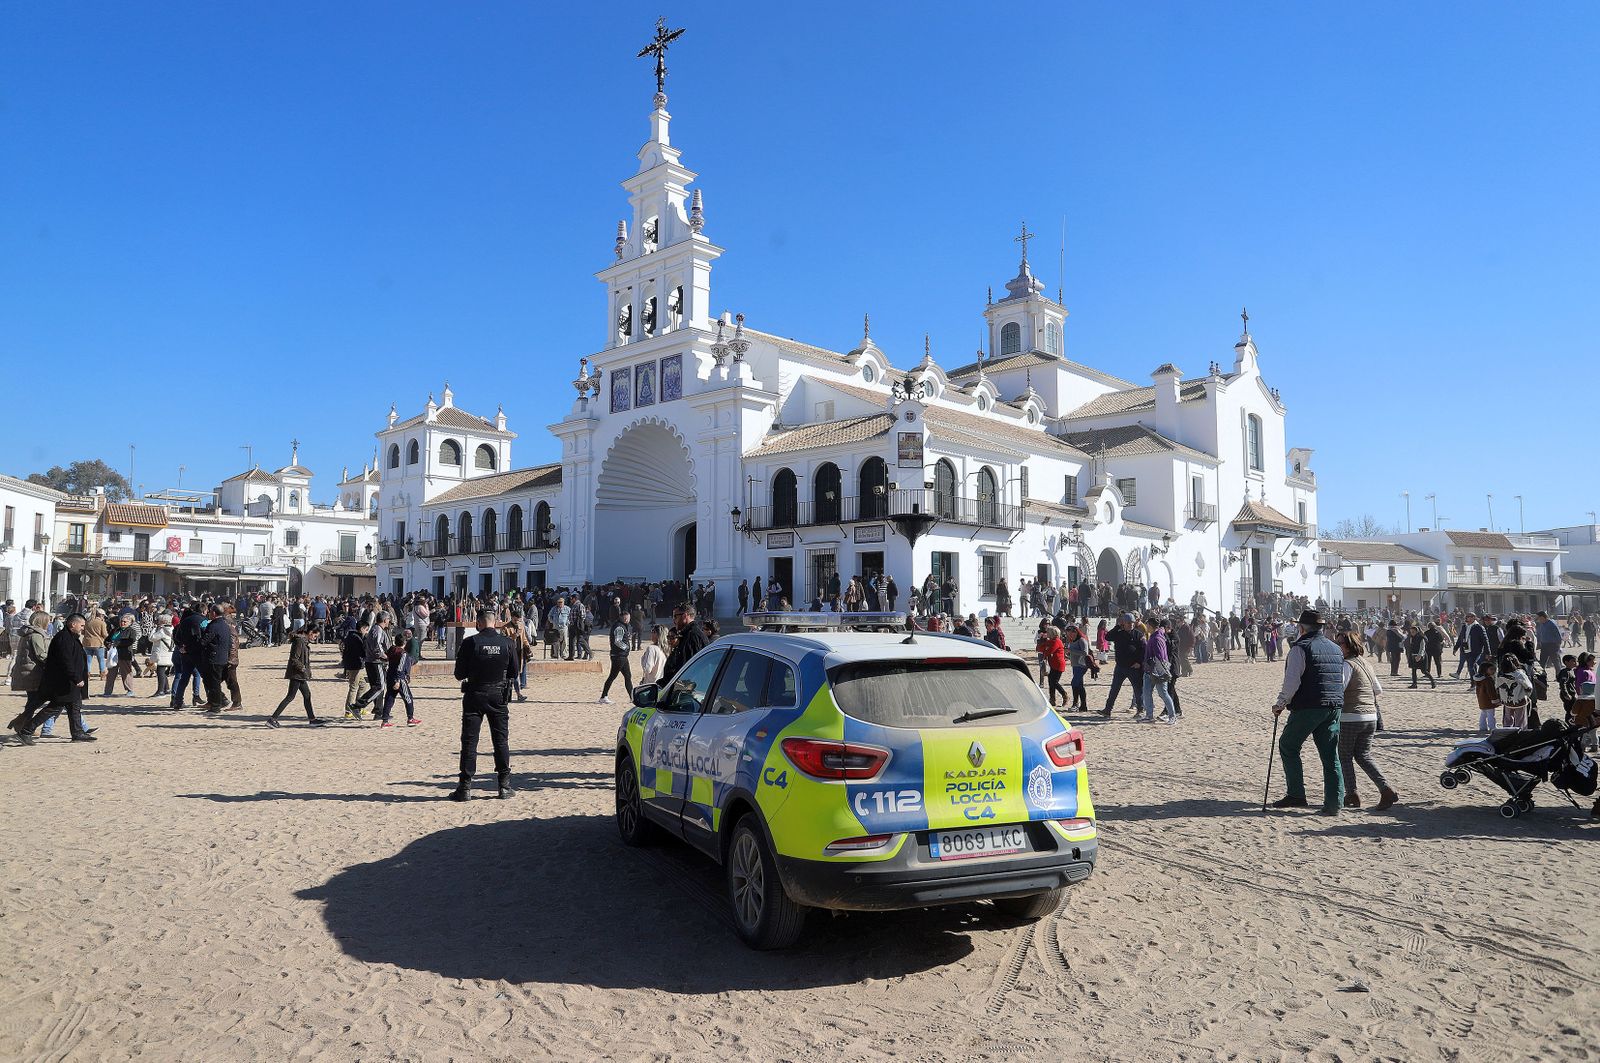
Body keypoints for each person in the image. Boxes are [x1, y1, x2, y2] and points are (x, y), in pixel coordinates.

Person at [1269, 609, 1346, 815]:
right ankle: (1334, 802)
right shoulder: (1335, 648)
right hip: (1334, 705)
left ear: (1301, 627)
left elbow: (1292, 681)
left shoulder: (1300, 648)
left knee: (1288, 745)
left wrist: (1280, 703)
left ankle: (1296, 794)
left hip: (1308, 706)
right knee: (1330, 755)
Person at [450, 608, 518, 801]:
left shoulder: (470, 643)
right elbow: (514, 671)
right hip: (498, 695)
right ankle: (504, 785)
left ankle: (465, 787)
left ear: (478, 623)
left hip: (475, 694)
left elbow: (459, 674)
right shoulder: (507, 643)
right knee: (501, 741)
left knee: (470, 742)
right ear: (495, 622)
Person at [1336, 630, 1397, 810]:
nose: (1338, 646)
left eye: (1340, 643)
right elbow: (1377, 690)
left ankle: (1352, 794)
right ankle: (1385, 789)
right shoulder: (1366, 663)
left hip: (1350, 716)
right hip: (1370, 716)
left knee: (1344, 756)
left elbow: (1339, 689)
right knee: (1363, 755)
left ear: (1349, 646)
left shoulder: (1347, 665)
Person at [13, 613, 96, 743]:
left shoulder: (71, 637)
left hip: (70, 681)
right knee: (55, 707)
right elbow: (65, 661)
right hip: (63, 681)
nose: (83, 628)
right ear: (73, 624)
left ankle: (78, 732)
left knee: (75, 706)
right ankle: (26, 731)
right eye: (82, 625)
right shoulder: (63, 638)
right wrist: (75, 678)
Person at [6, 611, 52, 740]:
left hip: (28, 670)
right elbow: (41, 654)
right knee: (35, 701)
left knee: (33, 701)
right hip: (33, 672)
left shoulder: (27, 633)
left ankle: (23, 724)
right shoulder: (36, 635)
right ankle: (23, 724)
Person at [268, 625, 324, 727]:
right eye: (315, 636)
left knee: (307, 695)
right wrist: (303, 669)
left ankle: (312, 719)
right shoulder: (300, 641)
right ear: (310, 632)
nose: (315, 638)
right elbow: (294, 659)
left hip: (300, 674)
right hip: (297, 674)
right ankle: (272, 719)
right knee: (290, 697)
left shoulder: (303, 641)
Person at [1099, 613, 1145, 718]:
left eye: (1132, 623)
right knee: (1114, 689)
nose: (1130, 625)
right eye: (1128, 623)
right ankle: (1108, 709)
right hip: (1120, 667)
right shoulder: (1118, 633)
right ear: (1123, 623)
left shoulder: (1138, 634)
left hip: (1134, 667)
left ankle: (1140, 710)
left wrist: (1139, 662)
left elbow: (1143, 650)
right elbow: (1107, 637)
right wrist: (1118, 627)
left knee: (1138, 689)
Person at [659, 604, 708, 686]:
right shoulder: (688, 634)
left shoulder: (692, 635)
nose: (673, 620)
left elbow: (689, 669)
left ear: (685, 615)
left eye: (675, 617)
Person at [1141, 619, 1178, 724]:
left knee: (1163, 693)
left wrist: (1159, 671)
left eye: (1147, 625)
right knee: (1146, 693)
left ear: (1151, 626)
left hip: (1157, 671)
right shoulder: (1154, 636)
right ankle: (1149, 716)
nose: (1146, 627)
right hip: (1149, 670)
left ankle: (1172, 716)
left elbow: (1161, 657)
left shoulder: (1157, 638)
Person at [379, 631, 419, 728]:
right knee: (408, 697)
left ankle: (384, 720)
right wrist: (398, 680)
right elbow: (400, 668)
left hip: (389, 676)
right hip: (399, 678)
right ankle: (410, 718)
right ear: (404, 643)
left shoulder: (392, 649)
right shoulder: (403, 653)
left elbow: (384, 658)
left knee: (389, 698)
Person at [199, 605, 233, 712]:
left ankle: (216, 705)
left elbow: (205, 641)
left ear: (214, 613)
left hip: (214, 657)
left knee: (214, 683)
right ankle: (219, 702)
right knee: (214, 682)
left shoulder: (213, 626)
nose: (209, 613)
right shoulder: (225, 625)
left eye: (210, 612)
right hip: (223, 657)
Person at [599, 609, 634, 704]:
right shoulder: (619, 627)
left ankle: (632, 697)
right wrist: (626, 647)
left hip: (621, 655)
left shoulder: (620, 625)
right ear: (625, 618)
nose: (629, 620)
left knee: (628, 676)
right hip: (619, 656)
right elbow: (618, 641)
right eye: (628, 618)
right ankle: (603, 696)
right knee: (612, 676)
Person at [1494, 655, 1533, 730]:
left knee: (1507, 719)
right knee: (1520, 720)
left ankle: (1507, 733)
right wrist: (1526, 695)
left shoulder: (1500, 675)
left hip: (1507, 701)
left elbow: (1496, 687)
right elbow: (1528, 687)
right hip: (1519, 700)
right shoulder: (1520, 675)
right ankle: (1520, 734)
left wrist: (1502, 697)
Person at [1036, 624, 1068, 708]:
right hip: (1053, 664)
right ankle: (1052, 700)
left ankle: (1064, 694)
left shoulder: (1057, 641)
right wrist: (1042, 640)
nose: (1047, 633)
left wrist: (1045, 648)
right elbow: (1039, 649)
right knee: (1051, 682)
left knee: (1054, 682)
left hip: (1058, 664)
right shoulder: (1050, 641)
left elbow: (1049, 651)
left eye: (1048, 632)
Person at [1474, 656, 1500, 734]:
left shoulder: (1478, 679)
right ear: (1485, 670)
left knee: (1483, 714)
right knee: (1491, 714)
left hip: (1481, 699)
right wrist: (1495, 700)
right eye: (1491, 669)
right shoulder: (1488, 680)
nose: (1493, 671)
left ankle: (1482, 727)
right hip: (1489, 700)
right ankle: (1492, 727)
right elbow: (1491, 691)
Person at [150, 617, 174, 697]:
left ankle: (160, 691)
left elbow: (151, 638)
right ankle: (166, 689)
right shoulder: (171, 628)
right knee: (163, 672)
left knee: (160, 672)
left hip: (161, 654)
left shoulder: (162, 630)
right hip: (167, 654)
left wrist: (154, 629)